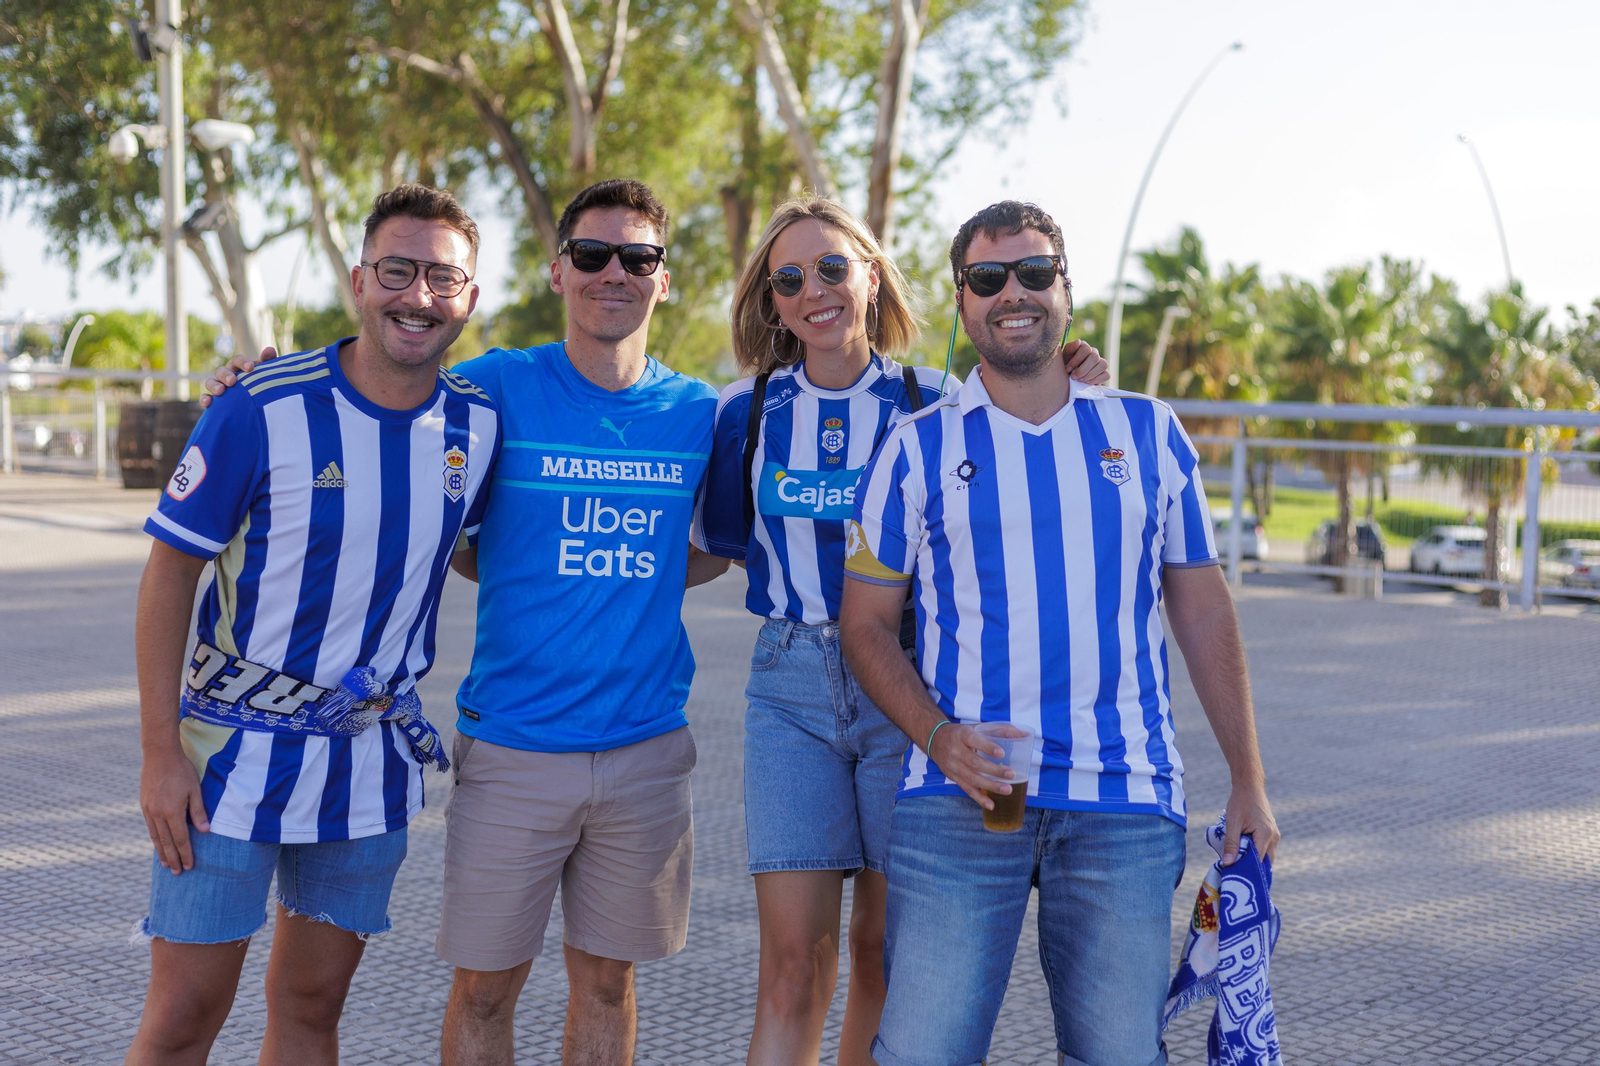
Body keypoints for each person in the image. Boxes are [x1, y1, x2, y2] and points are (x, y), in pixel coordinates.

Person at [203, 178, 729, 1066]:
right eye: (593, 255)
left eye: (636, 257)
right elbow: (378, 400)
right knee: (485, 990)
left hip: (646, 748)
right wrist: (248, 384)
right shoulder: (491, 391)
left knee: (609, 983)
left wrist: (630, 577)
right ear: (559, 272)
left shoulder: (698, 414)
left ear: (662, 279)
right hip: (513, 747)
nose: (614, 273)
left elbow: (713, 546)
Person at [838, 200, 1281, 1066]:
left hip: (1123, 797)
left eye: (1036, 272)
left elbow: (1201, 608)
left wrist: (1249, 782)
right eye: (989, 278)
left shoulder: (1148, 431)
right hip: (966, 799)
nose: (1015, 293)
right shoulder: (914, 449)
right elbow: (864, 628)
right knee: (922, 1053)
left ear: (1066, 291)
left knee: (1118, 1057)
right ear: (962, 303)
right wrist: (939, 737)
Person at [693, 197, 1108, 1066]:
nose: (816, 290)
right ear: (773, 302)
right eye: (791, 278)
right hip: (789, 687)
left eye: (834, 268)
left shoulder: (940, 402)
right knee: (792, 964)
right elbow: (714, 550)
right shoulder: (745, 411)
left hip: (911, 685)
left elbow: (1033, 465)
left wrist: (1084, 390)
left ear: (872, 276)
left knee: (889, 953)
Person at [127, 184, 499, 1066]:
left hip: (369, 768)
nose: (418, 296)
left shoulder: (478, 427)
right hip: (227, 763)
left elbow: (481, 553)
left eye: (442, 278)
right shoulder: (258, 407)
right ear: (359, 280)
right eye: (397, 271)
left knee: (311, 1009)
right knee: (184, 1017)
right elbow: (170, 570)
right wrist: (156, 752)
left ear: (469, 298)